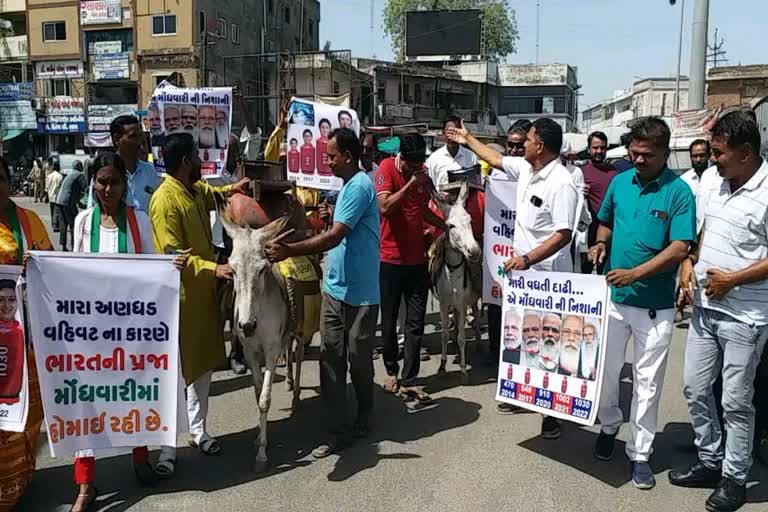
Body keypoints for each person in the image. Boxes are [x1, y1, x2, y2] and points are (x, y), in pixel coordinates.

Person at [67, 153, 187, 511]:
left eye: (114, 182)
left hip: (131, 329)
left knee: (132, 394)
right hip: (90, 332)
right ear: (93, 183)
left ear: (124, 184)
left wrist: (173, 264)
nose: (107, 189)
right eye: (101, 182)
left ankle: (139, 459)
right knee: (86, 402)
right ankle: (85, 483)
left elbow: (154, 267)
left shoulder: (139, 222)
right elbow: (70, 271)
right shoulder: (83, 222)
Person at [445, 117, 579, 435]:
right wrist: (467, 138)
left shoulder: (561, 182)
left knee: (549, 343)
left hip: (548, 278)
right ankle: (523, 395)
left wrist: (528, 258)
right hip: (522, 277)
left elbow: (563, 234)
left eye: (529, 139)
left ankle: (552, 415)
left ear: (540, 146)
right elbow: (495, 159)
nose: (524, 144)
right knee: (523, 338)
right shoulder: (527, 169)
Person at [588, 117, 695, 490]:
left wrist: (636, 274)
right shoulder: (619, 183)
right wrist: (601, 244)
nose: (637, 160)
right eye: (633, 153)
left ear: (666, 153)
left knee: (648, 383)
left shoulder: (679, 192)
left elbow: (680, 247)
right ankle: (608, 424)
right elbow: (605, 223)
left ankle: (640, 454)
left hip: (656, 307)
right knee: (606, 371)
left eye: (646, 155)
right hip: (615, 301)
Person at [669, 111, 768, 512]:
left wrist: (735, 279)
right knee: (694, 388)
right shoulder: (715, 181)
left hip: (746, 317)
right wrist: (689, 260)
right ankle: (710, 459)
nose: (712, 159)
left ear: (746, 153)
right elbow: (706, 227)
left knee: (735, 402)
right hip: (706, 309)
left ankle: (734, 478)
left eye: (719, 153)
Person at [264, 128, 380, 457]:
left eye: (331, 155)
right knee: (331, 359)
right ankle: (337, 431)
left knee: (357, 360)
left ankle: (365, 416)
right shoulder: (345, 188)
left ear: (347, 156)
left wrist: (290, 250)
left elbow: (334, 237)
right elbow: (333, 231)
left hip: (361, 295)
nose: (326, 161)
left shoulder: (358, 186)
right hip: (335, 289)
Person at [150, 133, 250, 464]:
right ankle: (167, 447)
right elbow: (172, 254)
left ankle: (198, 430)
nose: (200, 162)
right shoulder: (166, 200)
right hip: (179, 300)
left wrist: (233, 190)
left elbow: (213, 194)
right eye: (196, 156)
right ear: (184, 162)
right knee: (176, 372)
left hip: (201, 296)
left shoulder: (193, 191)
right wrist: (213, 269)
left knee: (203, 367)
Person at [376, 133, 445, 403]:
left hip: (417, 261)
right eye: (412, 165)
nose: (416, 170)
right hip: (391, 260)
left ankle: (410, 378)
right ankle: (391, 370)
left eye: (420, 165)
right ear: (402, 157)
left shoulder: (422, 174)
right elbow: (385, 207)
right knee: (390, 321)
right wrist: (409, 185)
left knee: (416, 324)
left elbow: (421, 209)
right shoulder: (386, 169)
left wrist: (442, 223)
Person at [0, 156, 52, 511]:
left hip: (25, 336)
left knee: (25, 411)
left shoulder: (29, 221)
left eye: (0, 178)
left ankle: (17, 481)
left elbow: (51, 268)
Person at [89, 115, 160, 215]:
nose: (140, 142)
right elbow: (96, 213)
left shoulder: (150, 171)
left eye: (140, 136)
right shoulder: (104, 175)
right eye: (133, 136)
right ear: (116, 139)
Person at [581, 131, 618, 274]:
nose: (599, 151)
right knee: (585, 270)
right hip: (590, 229)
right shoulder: (581, 173)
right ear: (589, 149)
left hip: (610, 229)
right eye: (595, 148)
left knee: (606, 270)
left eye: (602, 148)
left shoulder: (614, 172)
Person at [426, 115, 478, 191]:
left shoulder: (471, 157)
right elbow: (429, 186)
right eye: (449, 132)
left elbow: (476, 184)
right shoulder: (434, 159)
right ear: (443, 133)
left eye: (455, 132)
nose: (452, 135)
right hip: (441, 201)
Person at [56, 160, 86, 251]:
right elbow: (83, 187)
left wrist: (78, 201)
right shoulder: (79, 174)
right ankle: (74, 246)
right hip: (68, 202)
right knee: (74, 224)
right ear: (79, 166)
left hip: (59, 201)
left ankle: (63, 246)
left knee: (63, 225)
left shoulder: (70, 174)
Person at [45, 159, 64, 233]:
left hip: (50, 196)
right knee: (57, 212)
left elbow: (46, 188)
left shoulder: (49, 176)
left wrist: (46, 197)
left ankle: (54, 224)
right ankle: (56, 225)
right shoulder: (60, 176)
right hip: (57, 196)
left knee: (52, 211)